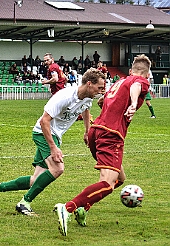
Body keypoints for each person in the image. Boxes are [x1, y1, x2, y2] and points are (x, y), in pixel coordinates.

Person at [54, 54, 151, 236]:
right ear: (146, 74)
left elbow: (101, 100)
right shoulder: (140, 81)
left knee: (119, 179)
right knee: (107, 184)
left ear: (130, 70)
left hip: (96, 131)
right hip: (111, 135)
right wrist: (132, 104)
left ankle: (83, 209)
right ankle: (68, 208)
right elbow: (137, 86)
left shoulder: (119, 82)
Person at [0, 68, 106, 216]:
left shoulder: (87, 97)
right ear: (89, 84)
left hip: (54, 134)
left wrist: (87, 131)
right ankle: (24, 203)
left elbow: (86, 110)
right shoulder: (65, 96)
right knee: (57, 168)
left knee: (35, 179)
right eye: (99, 87)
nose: (101, 91)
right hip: (43, 133)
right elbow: (44, 121)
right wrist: (53, 147)